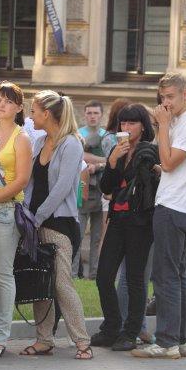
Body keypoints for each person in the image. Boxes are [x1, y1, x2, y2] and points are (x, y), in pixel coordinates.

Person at [133, 73, 186, 359]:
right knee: (177, 274)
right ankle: (183, 339)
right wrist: (164, 125)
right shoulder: (180, 121)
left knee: (165, 276)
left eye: (171, 97)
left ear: (185, 94)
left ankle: (166, 343)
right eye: (162, 98)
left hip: (175, 206)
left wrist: (163, 126)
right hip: (180, 203)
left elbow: (168, 162)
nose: (165, 103)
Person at [20, 90, 92, 360]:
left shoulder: (71, 144)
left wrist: (37, 218)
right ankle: (43, 339)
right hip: (36, 223)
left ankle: (82, 341)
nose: (31, 116)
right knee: (41, 283)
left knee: (61, 283)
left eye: (34, 111)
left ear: (46, 114)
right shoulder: (39, 142)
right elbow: (30, 184)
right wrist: (26, 215)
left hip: (59, 223)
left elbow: (62, 188)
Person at [93, 103, 158, 352]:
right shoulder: (118, 152)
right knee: (104, 276)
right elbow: (106, 188)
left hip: (141, 223)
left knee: (134, 278)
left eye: (132, 123)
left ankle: (130, 332)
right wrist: (112, 160)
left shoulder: (149, 152)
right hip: (118, 221)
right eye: (123, 123)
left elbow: (144, 185)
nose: (126, 128)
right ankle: (111, 327)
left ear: (143, 127)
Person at [0, 82, 31, 359]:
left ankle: (0, 337)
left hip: (5, 212)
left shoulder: (21, 138)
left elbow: (23, 180)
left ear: (19, 108)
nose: (1, 104)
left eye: (8, 100)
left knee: (2, 274)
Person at [76, 99, 107, 280]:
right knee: (77, 235)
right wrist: (102, 161)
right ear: (85, 115)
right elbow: (78, 156)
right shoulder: (78, 134)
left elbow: (113, 159)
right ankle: (73, 273)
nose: (92, 116)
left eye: (96, 113)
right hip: (83, 188)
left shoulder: (106, 135)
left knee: (97, 237)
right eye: (89, 113)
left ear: (101, 115)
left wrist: (96, 163)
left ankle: (95, 274)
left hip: (102, 189)